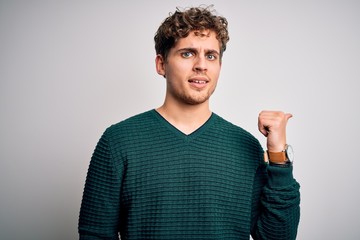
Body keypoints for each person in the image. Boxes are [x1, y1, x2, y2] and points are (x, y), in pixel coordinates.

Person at [78, 5, 300, 240]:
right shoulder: (118, 141)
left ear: (219, 67)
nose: (201, 65)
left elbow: (277, 238)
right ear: (161, 64)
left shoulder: (246, 146)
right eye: (187, 53)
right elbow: (95, 234)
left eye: (211, 56)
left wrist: (277, 156)